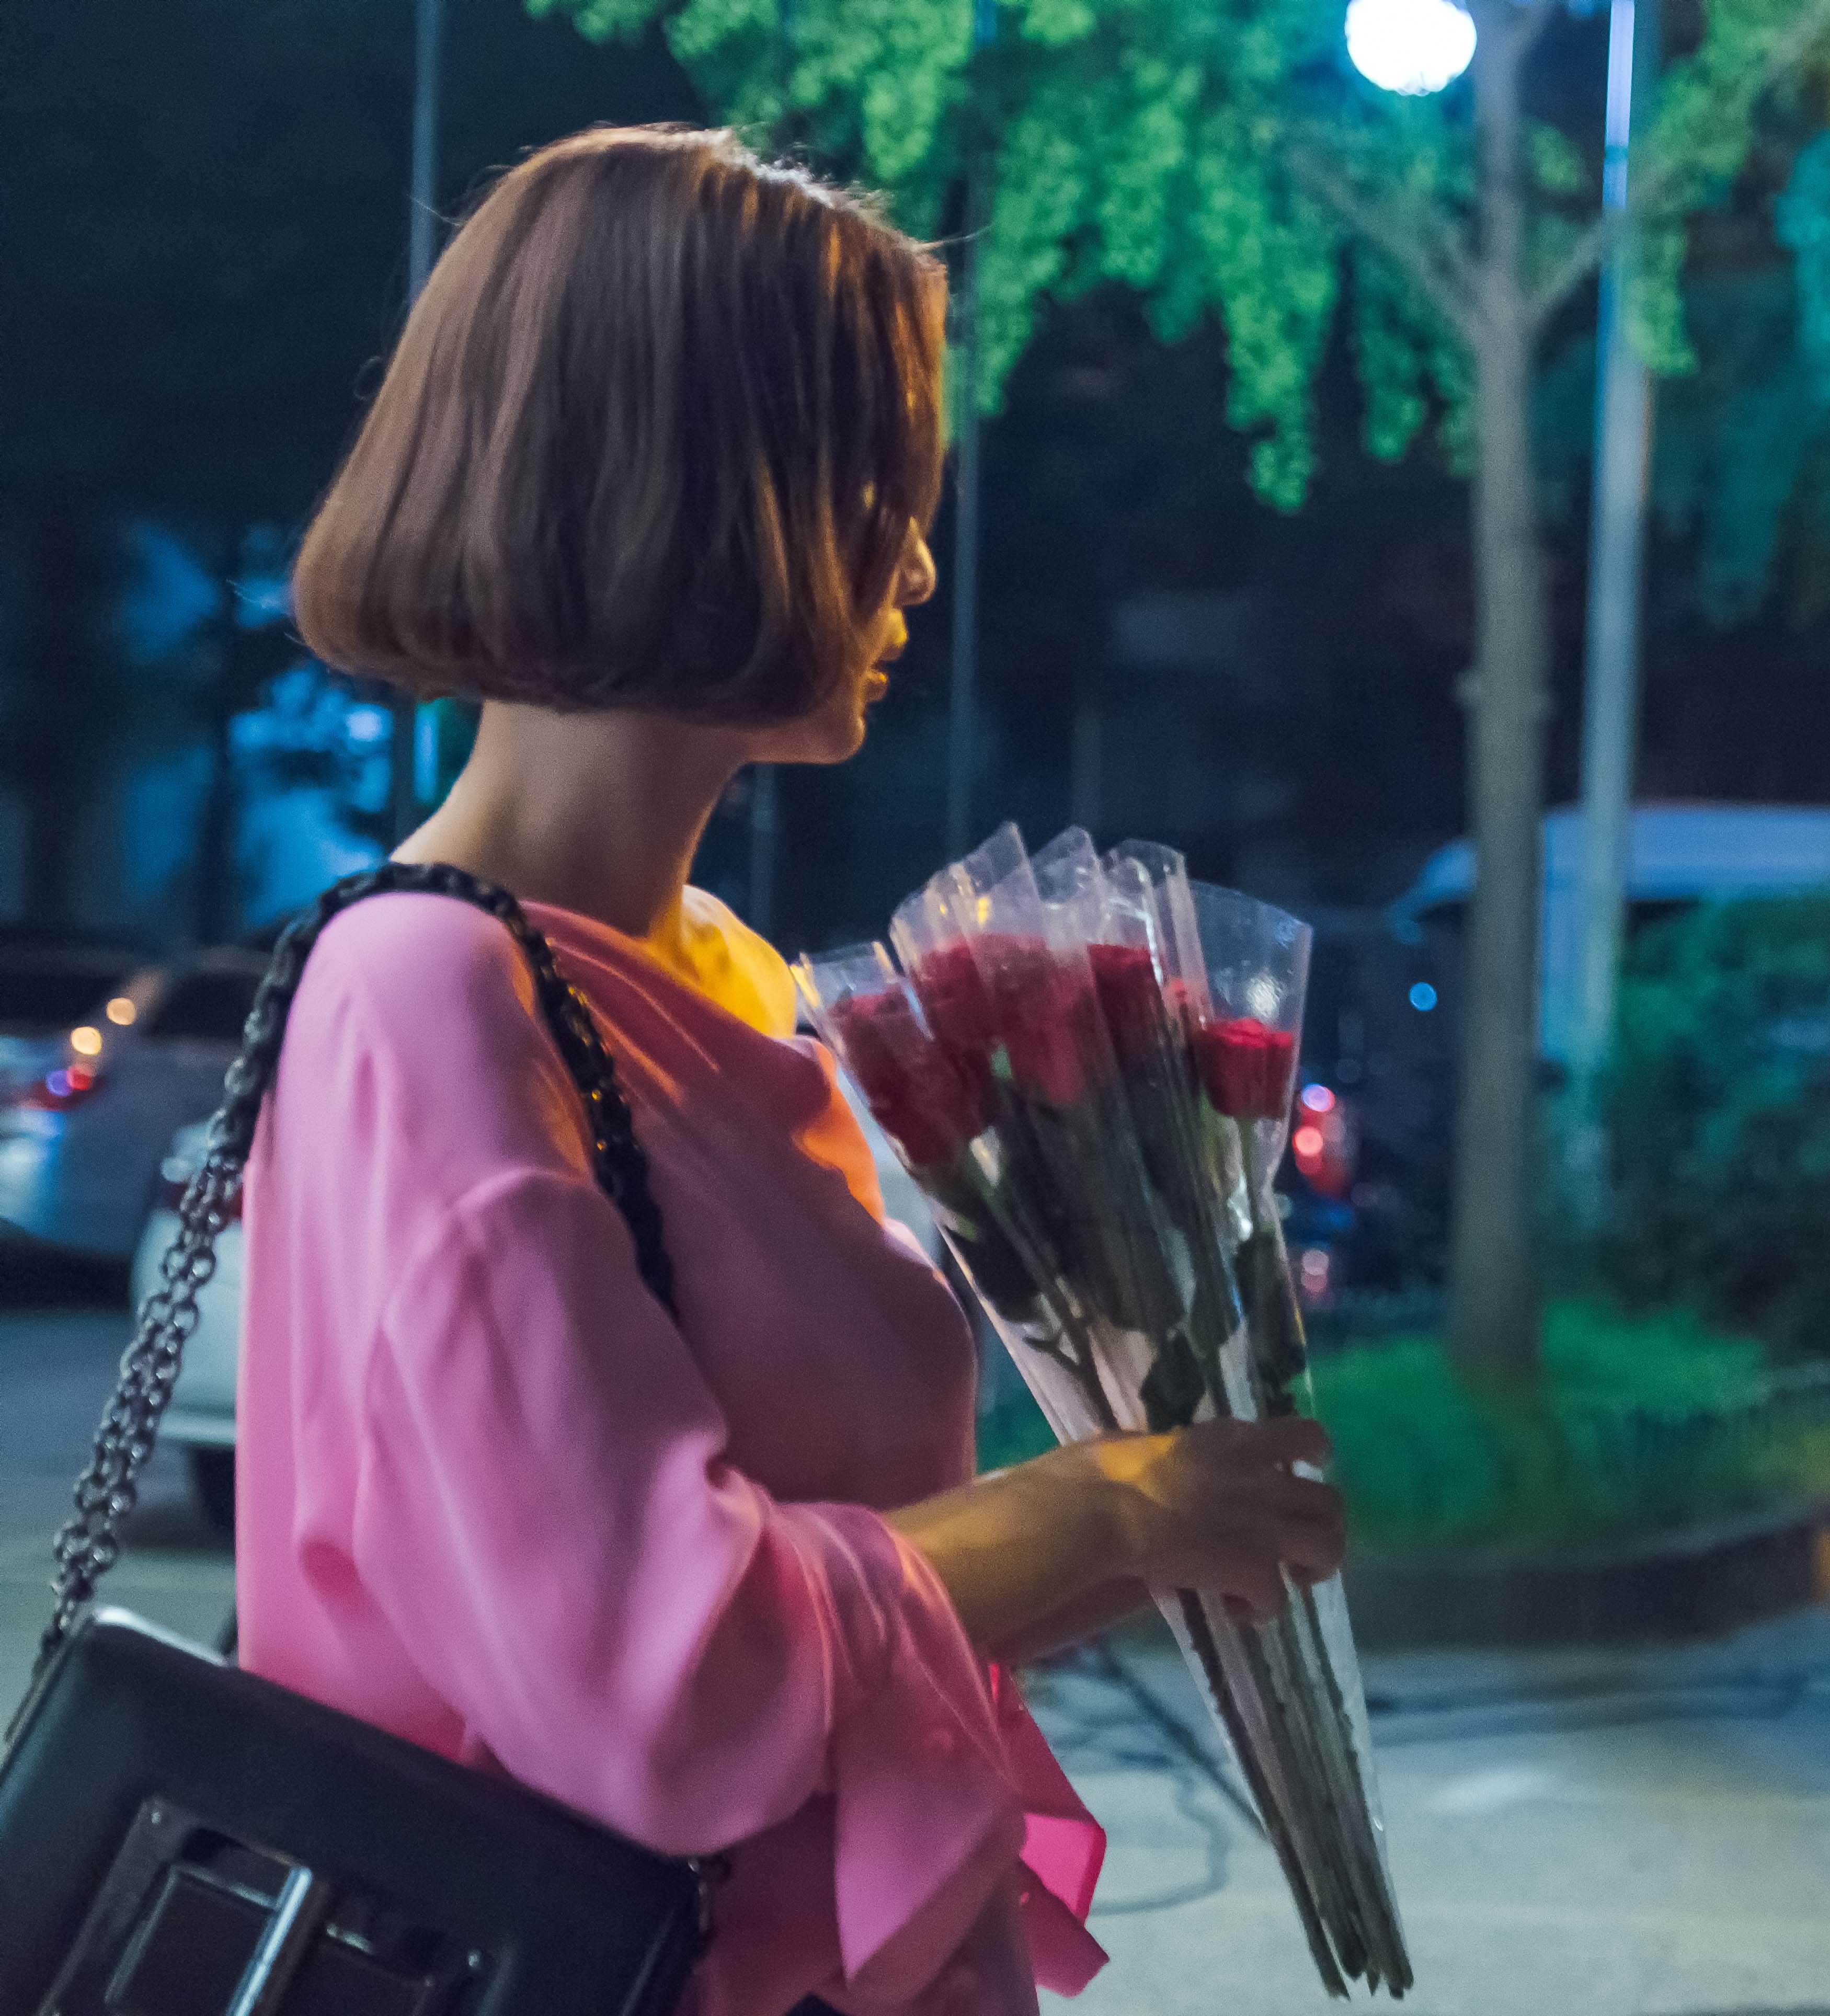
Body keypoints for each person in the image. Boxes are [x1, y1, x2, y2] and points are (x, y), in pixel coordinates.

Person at [241, 125, 1346, 2016]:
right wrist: (1117, 1511)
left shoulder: (738, 976)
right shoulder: (429, 993)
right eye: (871, 485)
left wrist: (1178, 1513)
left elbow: (854, 1596)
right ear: (682, 487)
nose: (914, 558)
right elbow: (667, 1686)